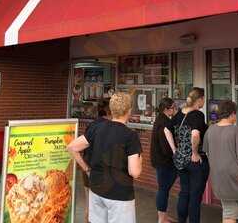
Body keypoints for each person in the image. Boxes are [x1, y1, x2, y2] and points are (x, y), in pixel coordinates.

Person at [67, 92, 142, 223]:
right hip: (120, 195)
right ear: (129, 111)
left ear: (111, 110)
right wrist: (140, 160)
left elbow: (72, 147)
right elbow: (135, 172)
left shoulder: (97, 127)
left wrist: (87, 169)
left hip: (96, 190)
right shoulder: (131, 136)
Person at [165, 87, 209, 223]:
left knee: (184, 192)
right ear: (200, 100)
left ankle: (181, 221)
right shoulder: (197, 114)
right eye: (204, 98)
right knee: (195, 197)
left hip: (180, 159)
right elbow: (195, 134)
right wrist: (194, 153)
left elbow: (166, 129)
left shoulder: (179, 114)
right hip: (194, 161)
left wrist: (175, 150)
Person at [82, 99, 112, 223]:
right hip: (99, 172)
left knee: (89, 206)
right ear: (108, 111)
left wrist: (86, 168)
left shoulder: (92, 125)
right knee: (101, 210)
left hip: (87, 168)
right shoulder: (109, 127)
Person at [151, 97, 178, 223]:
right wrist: (174, 154)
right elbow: (166, 145)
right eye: (173, 107)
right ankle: (162, 219)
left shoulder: (160, 119)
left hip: (159, 161)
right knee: (163, 189)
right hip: (164, 162)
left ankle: (163, 216)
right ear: (167, 109)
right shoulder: (165, 123)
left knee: (163, 189)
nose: (175, 109)